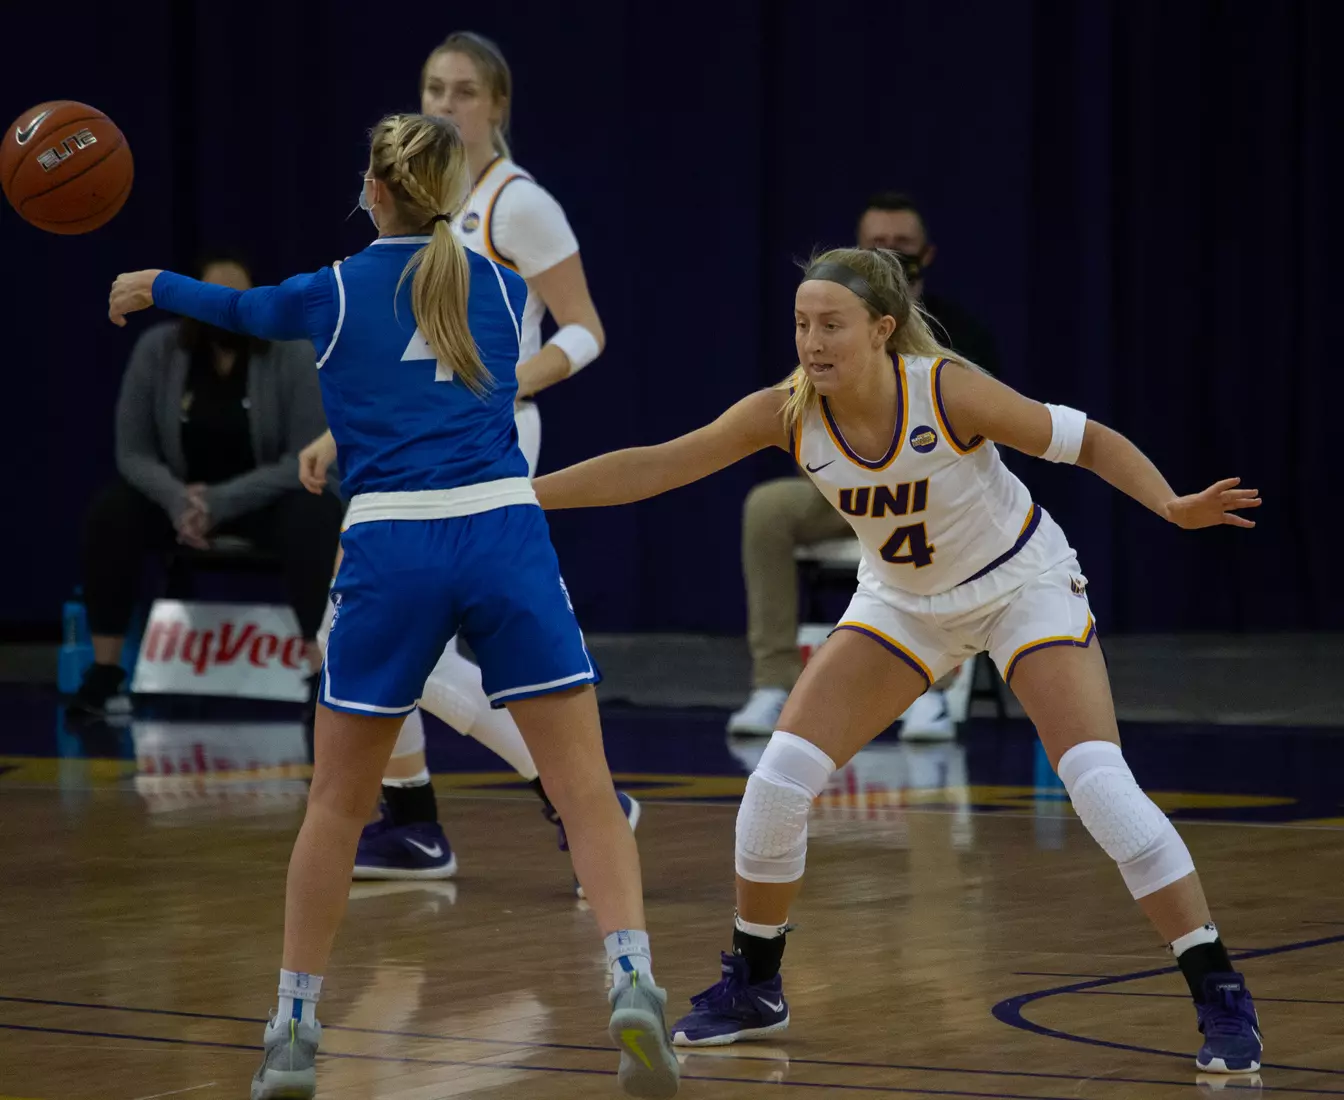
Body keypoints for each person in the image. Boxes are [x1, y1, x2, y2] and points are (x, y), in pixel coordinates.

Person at [533, 246, 1263, 1074]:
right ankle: (755, 982)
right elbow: (657, 466)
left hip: (1021, 584)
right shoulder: (788, 411)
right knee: (774, 787)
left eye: (832, 324)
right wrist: (522, 493)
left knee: (1100, 785)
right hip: (903, 603)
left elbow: (1088, 441)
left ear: (882, 330)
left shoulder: (946, 389)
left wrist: (1170, 504)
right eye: (802, 324)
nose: (812, 341)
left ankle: (1218, 988)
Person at [107, 113, 678, 1100]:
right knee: (585, 785)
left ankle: (292, 1026)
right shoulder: (499, 287)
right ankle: (633, 976)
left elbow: (239, 315)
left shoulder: (331, 290)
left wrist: (153, 282)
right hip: (503, 532)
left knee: (335, 803)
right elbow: (537, 353)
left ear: (372, 192)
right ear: (456, 198)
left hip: (392, 543)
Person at [303, 30, 636, 885]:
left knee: (361, 632)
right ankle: (416, 821)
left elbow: (587, 330)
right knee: (352, 633)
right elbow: (401, 350)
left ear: (496, 108)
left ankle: (551, 794)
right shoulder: (417, 207)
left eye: (461, 92)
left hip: (488, 441)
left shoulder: (519, 205)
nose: (443, 104)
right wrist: (349, 427)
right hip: (417, 440)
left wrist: (496, 386)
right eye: (432, 88)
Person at [730, 192, 998, 742]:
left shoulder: (959, 337)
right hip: (850, 491)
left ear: (927, 253)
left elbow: (1011, 432)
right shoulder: (825, 334)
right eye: (878, 242)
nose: (890, 252)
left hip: (934, 500)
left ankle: (938, 694)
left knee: (948, 515)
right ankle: (772, 684)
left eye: (902, 243)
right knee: (767, 507)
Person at [71, 254, 341, 718]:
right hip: (180, 502)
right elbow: (132, 453)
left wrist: (216, 503)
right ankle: (105, 672)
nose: (222, 312)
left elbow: (308, 456)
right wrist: (180, 501)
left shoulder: (291, 353)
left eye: (233, 301)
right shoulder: (158, 350)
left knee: (314, 512)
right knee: (112, 513)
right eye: (212, 300)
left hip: (262, 501)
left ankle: (321, 675)